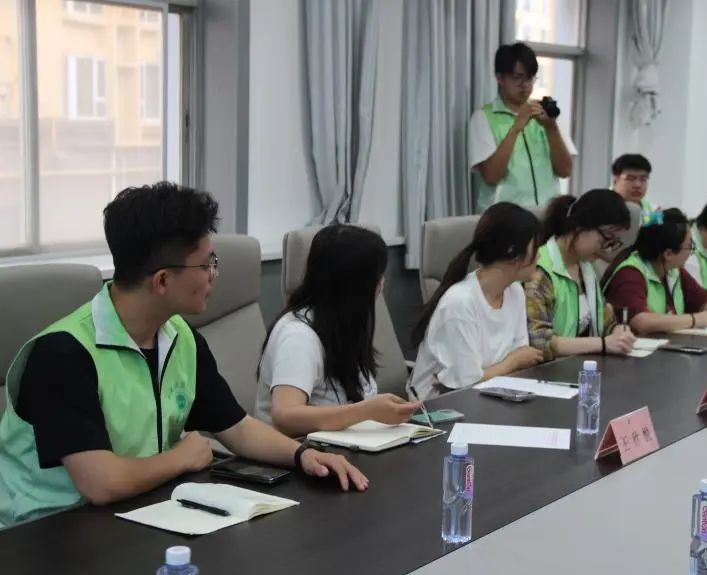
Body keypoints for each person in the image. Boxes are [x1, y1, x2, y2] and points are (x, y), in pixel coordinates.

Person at [0, 183, 367, 528]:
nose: (214, 274)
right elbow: (101, 483)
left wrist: (303, 455)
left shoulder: (179, 337)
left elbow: (237, 428)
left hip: (137, 514)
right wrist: (181, 457)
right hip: (42, 533)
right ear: (162, 281)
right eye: (206, 264)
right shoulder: (62, 354)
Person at [255, 225, 420, 437]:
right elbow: (285, 416)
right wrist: (366, 411)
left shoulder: (341, 324)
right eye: (377, 276)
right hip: (299, 450)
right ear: (354, 285)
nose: (382, 283)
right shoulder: (298, 336)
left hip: (347, 444)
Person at [410, 202, 544, 400]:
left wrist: (512, 363)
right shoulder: (459, 303)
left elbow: (522, 359)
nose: (539, 255)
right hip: (442, 407)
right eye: (535, 247)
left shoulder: (515, 292)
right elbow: (466, 384)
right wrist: (512, 362)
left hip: (494, 397)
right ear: (513, 253)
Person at [525, 190, 637, 360]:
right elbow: (539, 342)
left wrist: (617, 331)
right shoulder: (539, 271)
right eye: (606, 239)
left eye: (613, 243)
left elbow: (606, 321)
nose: (607, 249)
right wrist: (603, 344)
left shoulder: (586, 268)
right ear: (580, 226)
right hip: (548, 370)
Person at [469, 42, 576, 213]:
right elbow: (491, 176)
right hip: (504, 218)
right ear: (500, 78)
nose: (525, 85)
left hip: (546, 215)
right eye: (517, 77)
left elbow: (565, 170)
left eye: (530, 77)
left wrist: (551, 128)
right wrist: (516, 127)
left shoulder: (544, 114)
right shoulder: (483, 118)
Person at [603, 208, 707, 335]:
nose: (691, 251)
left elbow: (704, 301)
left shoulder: (674, 270)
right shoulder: (630, 274)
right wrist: (695, 319)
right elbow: (641, 322)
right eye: (689, 246)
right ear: (668, 254)